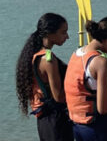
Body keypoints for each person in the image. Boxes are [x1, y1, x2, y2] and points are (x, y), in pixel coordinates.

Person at [66, 16, 107, 141]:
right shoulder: (102, 62)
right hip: (100, 128)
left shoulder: (77, 53)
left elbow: (88, 81)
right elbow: (103, 108)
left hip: (79, 126)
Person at [16, 13, 73, 141]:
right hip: (56, 121)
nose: (67, 37)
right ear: (49, 34)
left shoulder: (35, 54)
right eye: (63, 32)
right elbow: (59, 96)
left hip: (45, 119)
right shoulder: (48, 59)